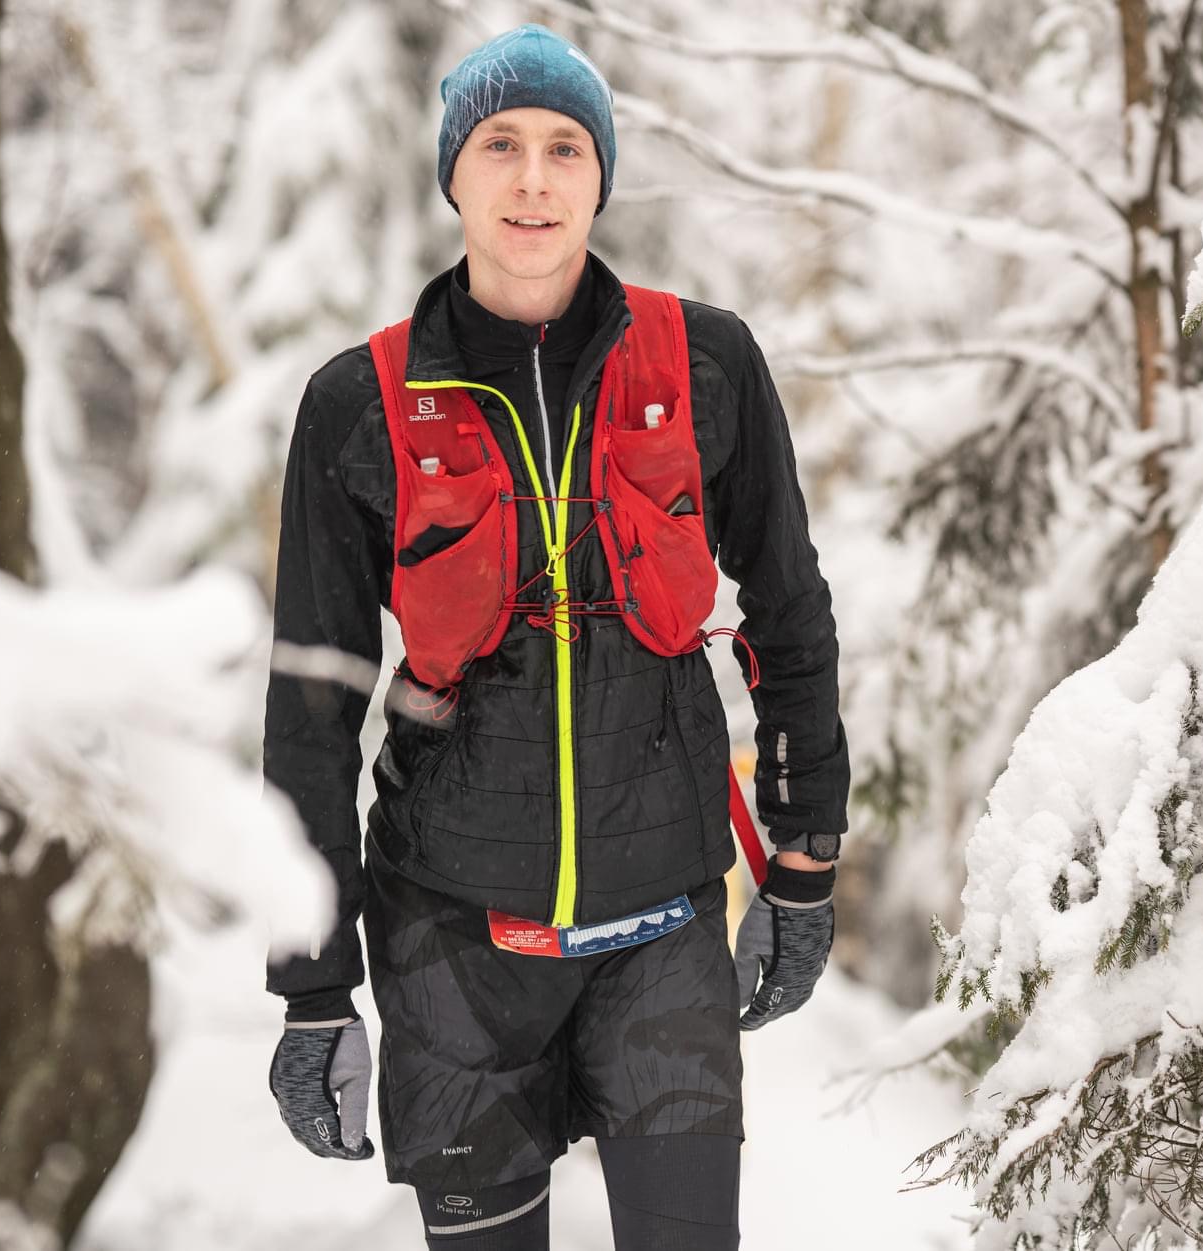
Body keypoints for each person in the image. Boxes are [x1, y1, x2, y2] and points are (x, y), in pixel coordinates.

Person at [263, 23, 849, 1250]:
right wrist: (315, 991)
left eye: (566, 149)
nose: (533, 179)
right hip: (450, 945)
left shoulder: (704, 363)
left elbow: (787, 615)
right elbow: (311, 706)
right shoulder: (358, 402)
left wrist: (804, 860)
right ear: (455, 175)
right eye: (501, 145)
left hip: (662, 930)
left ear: (601, 176)